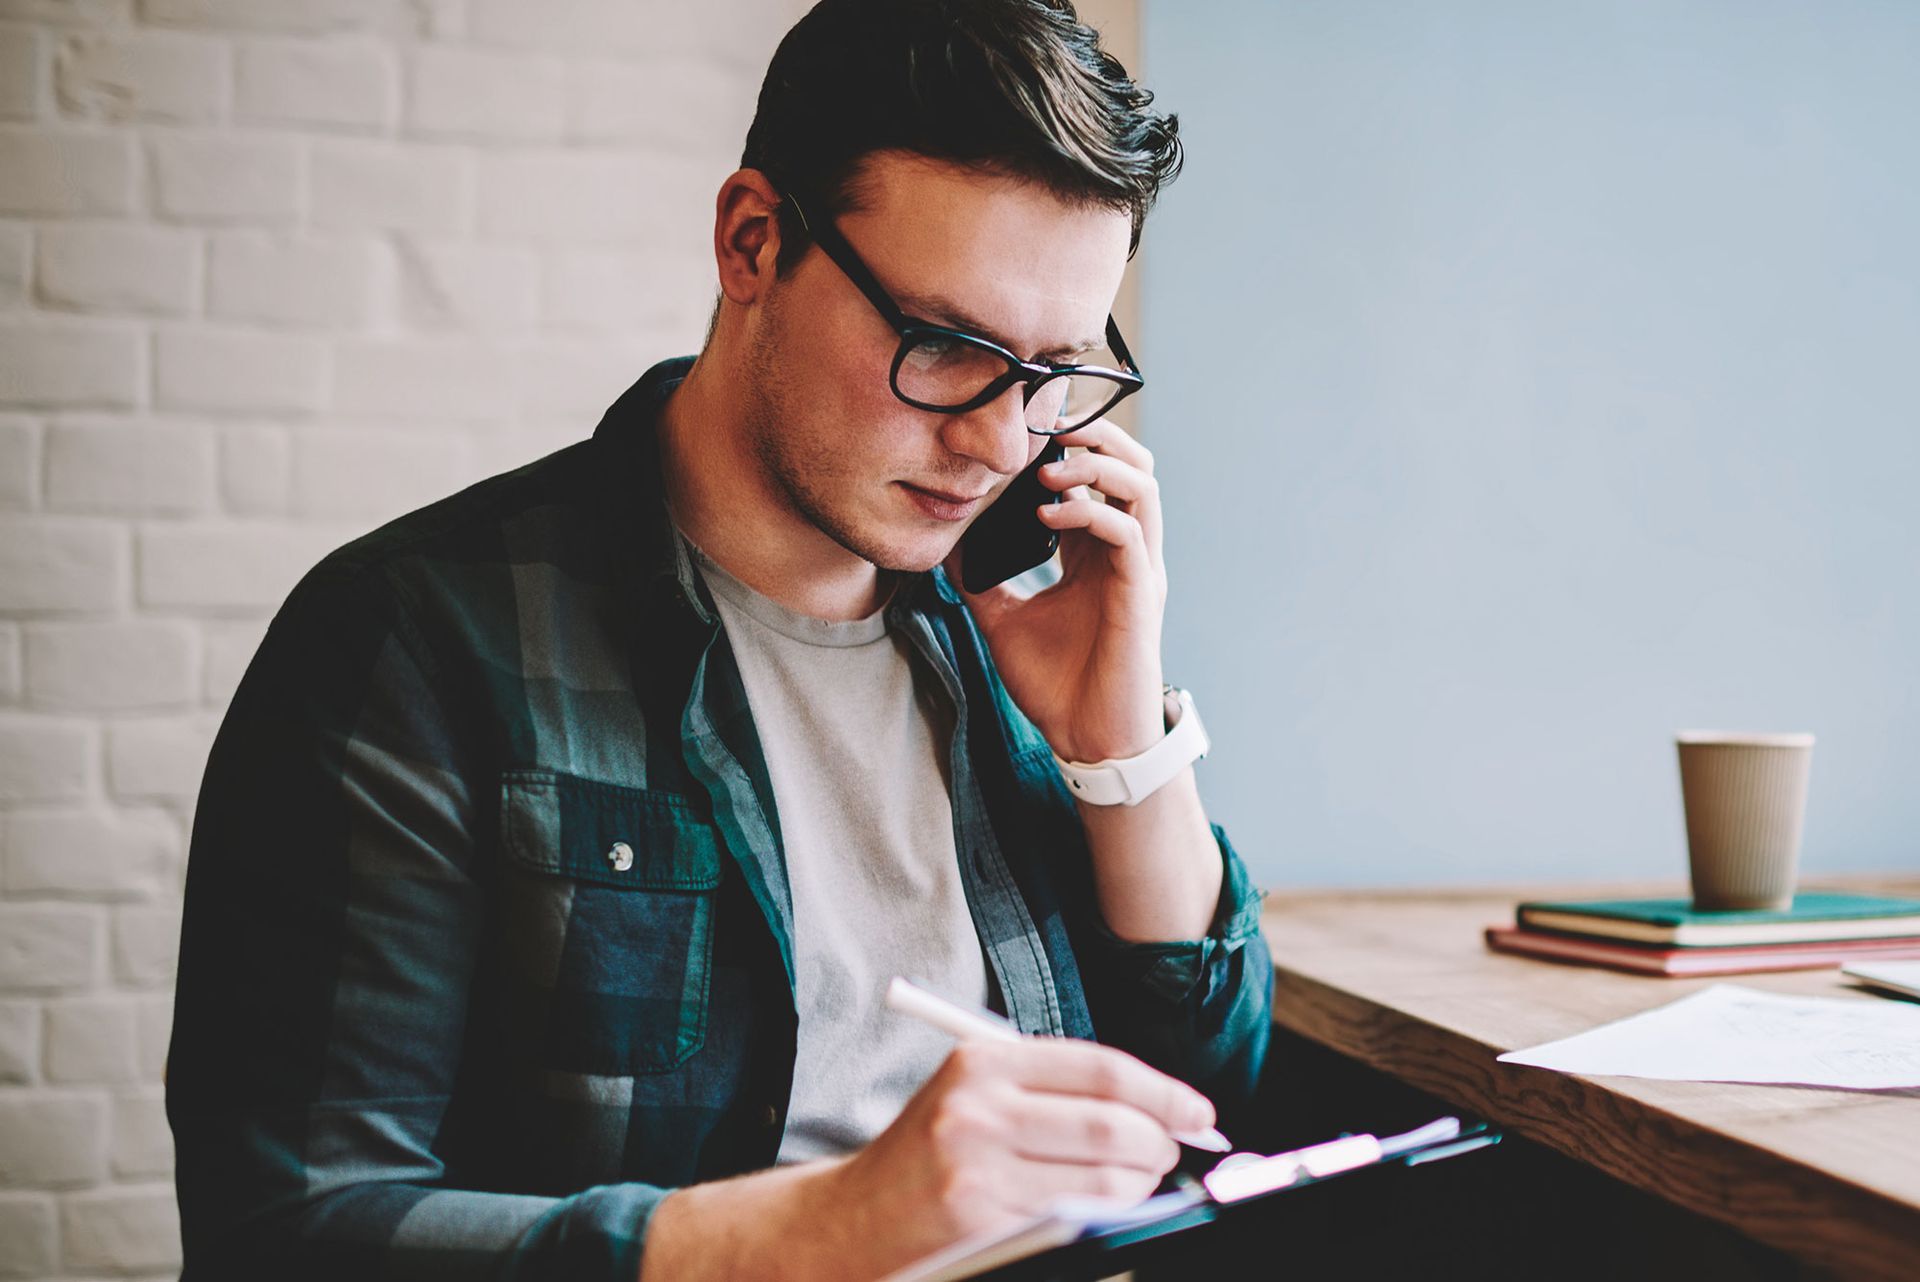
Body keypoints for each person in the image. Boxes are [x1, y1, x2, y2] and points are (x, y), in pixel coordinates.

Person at [165, 2, 1272, 1278]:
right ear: (753, 242)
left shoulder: (1013, 630)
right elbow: (289, 1231)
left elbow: (1207, 1092)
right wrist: (833, 1226)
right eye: (946, 347)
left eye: (1053, 367)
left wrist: (1120, 749)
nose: (999, 440)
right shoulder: (416, 643)